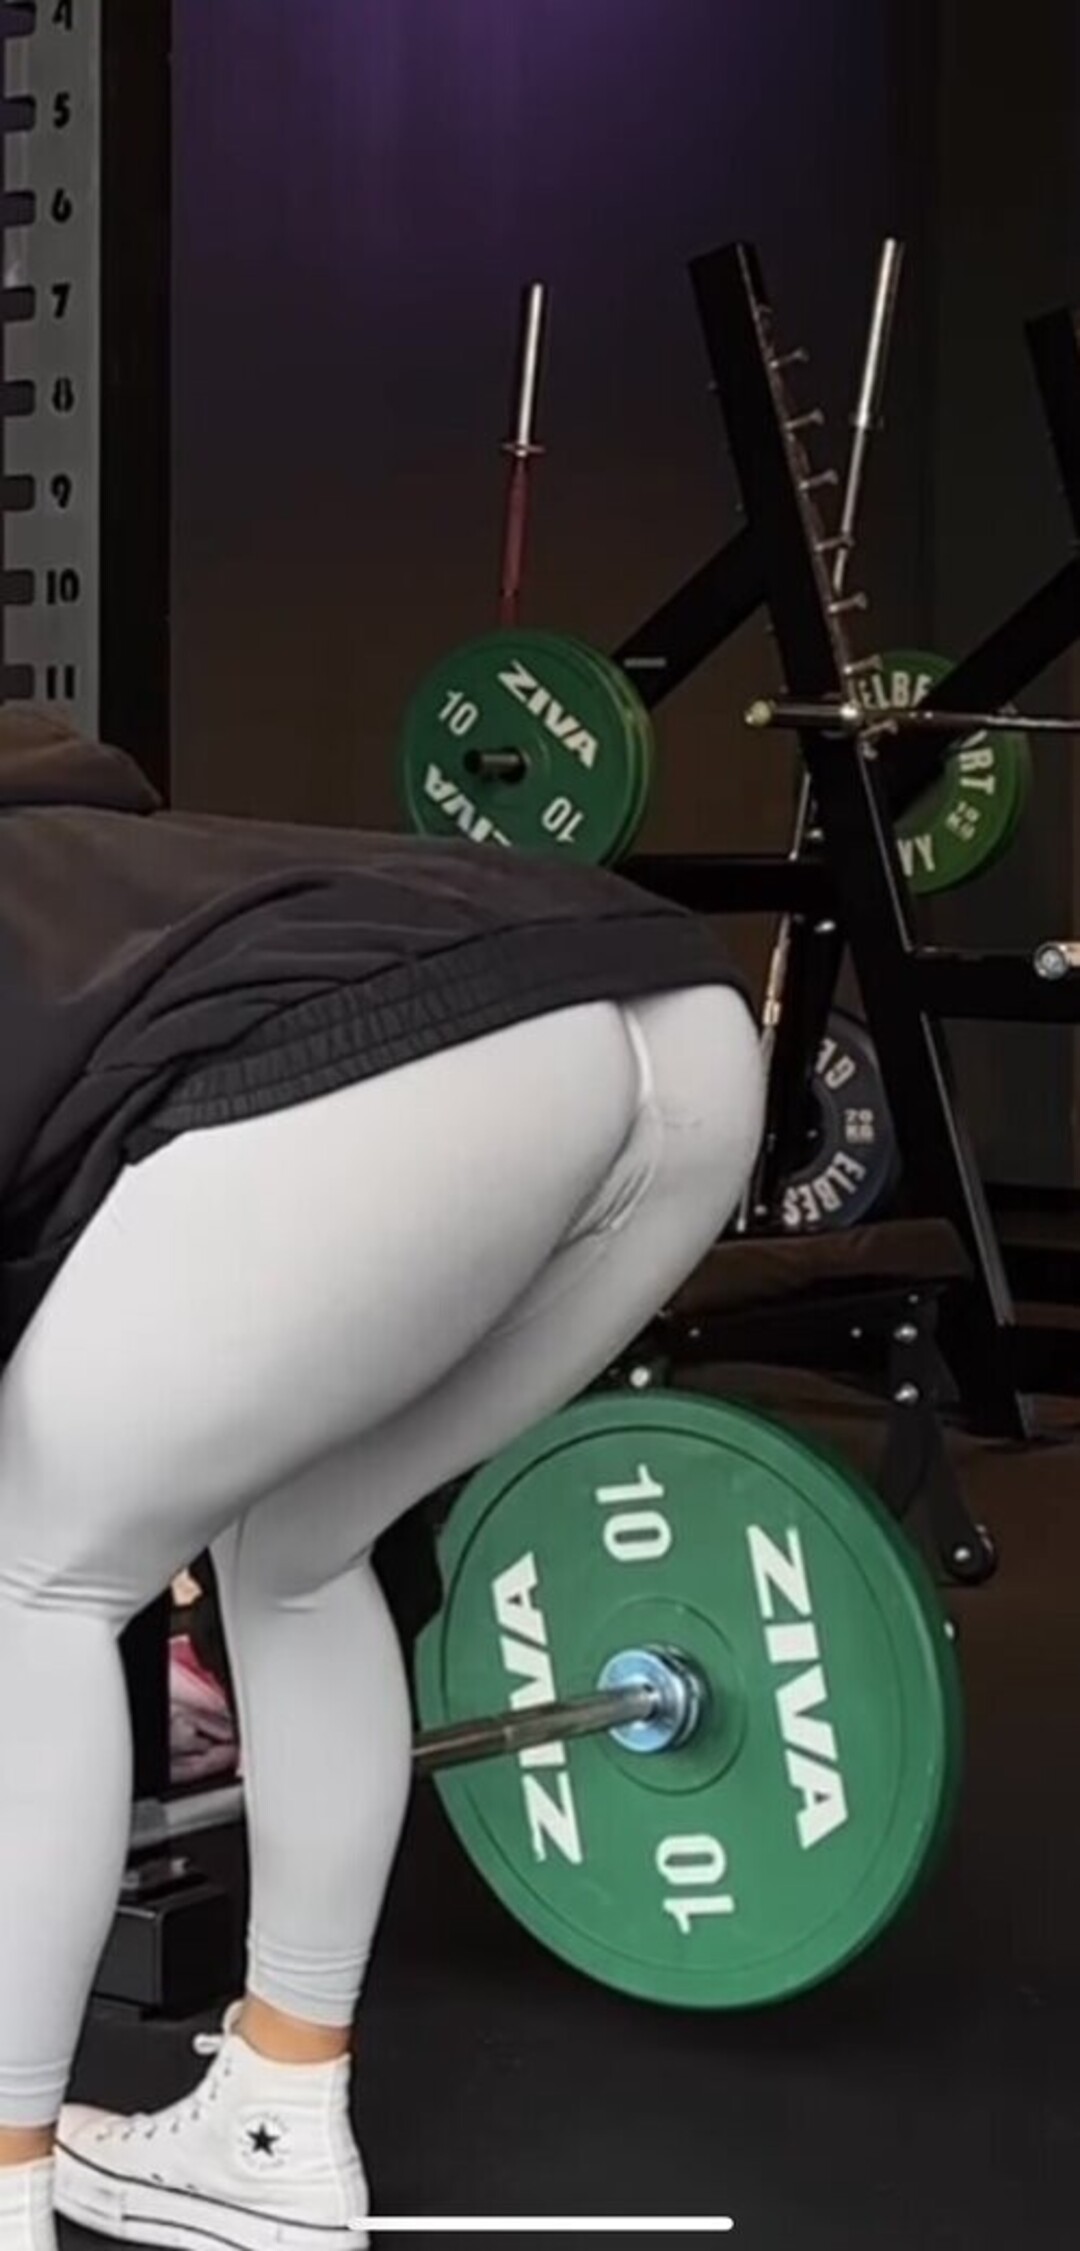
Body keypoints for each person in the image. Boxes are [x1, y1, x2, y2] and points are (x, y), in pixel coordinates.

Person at [0, 704, 764, 2251]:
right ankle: (276, 2115)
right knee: (297, 1548)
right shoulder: (80, 835)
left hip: (394, 1074)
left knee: (35, 1579)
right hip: (672, 1017)